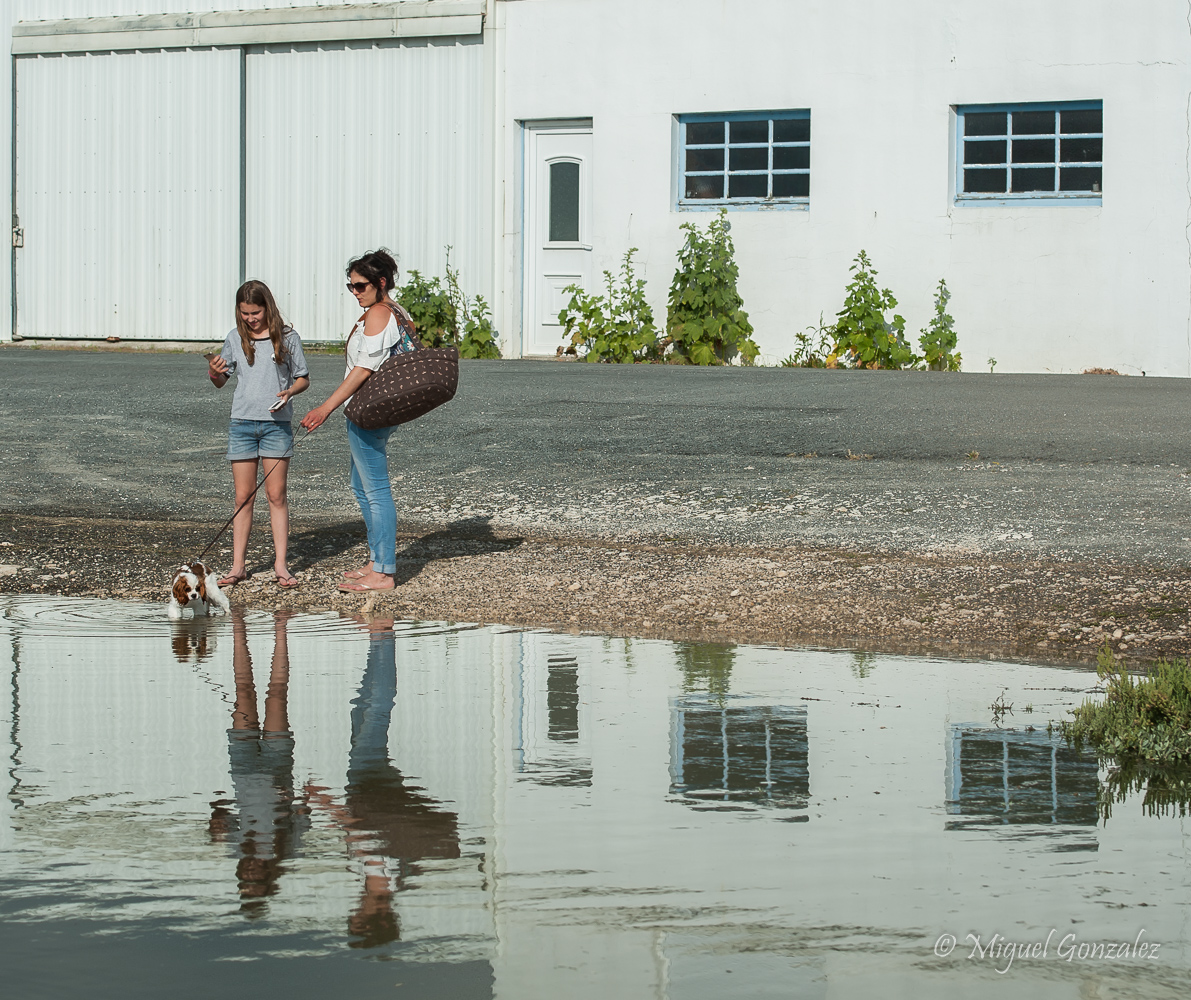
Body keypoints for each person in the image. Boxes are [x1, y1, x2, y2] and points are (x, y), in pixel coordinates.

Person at [299, 249, 416, 594]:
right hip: (374, 411)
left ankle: (384, 572)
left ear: (381, 283)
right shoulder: (393, 310)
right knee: (360, 484)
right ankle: (377, 559)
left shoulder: (380, 314)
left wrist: (324, 408)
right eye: (350, 286)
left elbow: (365, 369)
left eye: (360, 285)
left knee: (376, 490)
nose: (355, 292)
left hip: (369, 412)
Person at [208, 280, 309, 589]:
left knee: (276, 495)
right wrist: (213, 370)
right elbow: (220, 381)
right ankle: (238, 566)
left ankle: (281, 564)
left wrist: (290, 391)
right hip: (241, 424)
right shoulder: (234, 338)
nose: (250, 318)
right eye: (244, 313)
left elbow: (303, 378)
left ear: (268, 307)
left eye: (255, 312)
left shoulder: (288, 338)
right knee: (243, 497)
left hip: (276, 425)